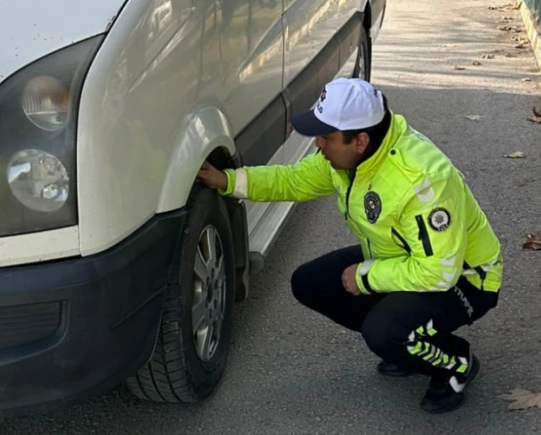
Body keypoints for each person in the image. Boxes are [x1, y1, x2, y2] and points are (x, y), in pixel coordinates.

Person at [195, 78, 503, 413]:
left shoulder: (423, 182)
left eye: (326, 137)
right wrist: (228, 181)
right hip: (402, 259)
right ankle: (406, 339)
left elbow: (439, 271)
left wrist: (365, 277)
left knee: (384, 331)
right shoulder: (352, 160)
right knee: (310, 283)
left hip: (465, 279)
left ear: (360, 140)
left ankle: (454, 361)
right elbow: (294, 180)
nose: (318, 144)